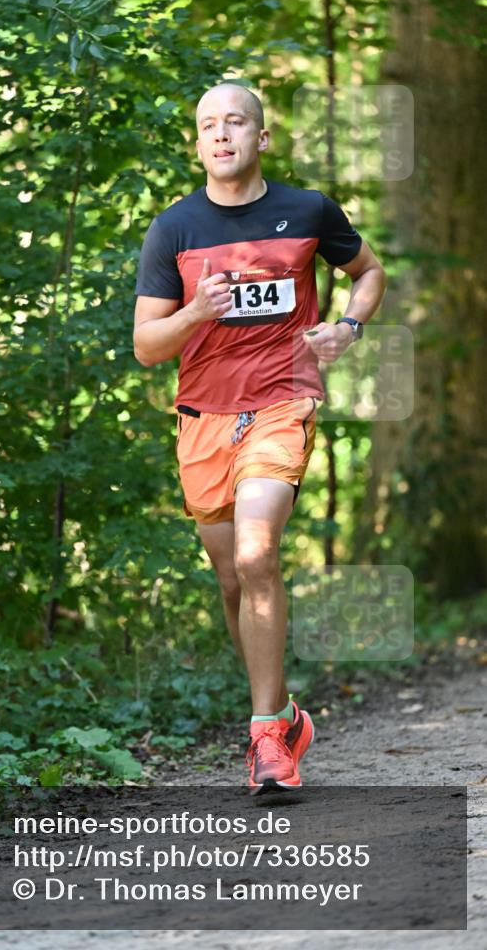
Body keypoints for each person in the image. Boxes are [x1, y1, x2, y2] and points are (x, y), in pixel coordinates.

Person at [133, 82, 386, 793]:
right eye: (208, 125)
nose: (221, 134)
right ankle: (284, 712)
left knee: (255, 553)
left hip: (282, 401)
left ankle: (267, 737)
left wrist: (347, 326)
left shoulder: (306, 211)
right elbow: (147, 346)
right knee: (229, 578)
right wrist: (194, 316)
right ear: (197, 143)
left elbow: (368, 272)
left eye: (235, 122)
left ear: (261, 137)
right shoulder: (174, 229)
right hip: (202, 418)